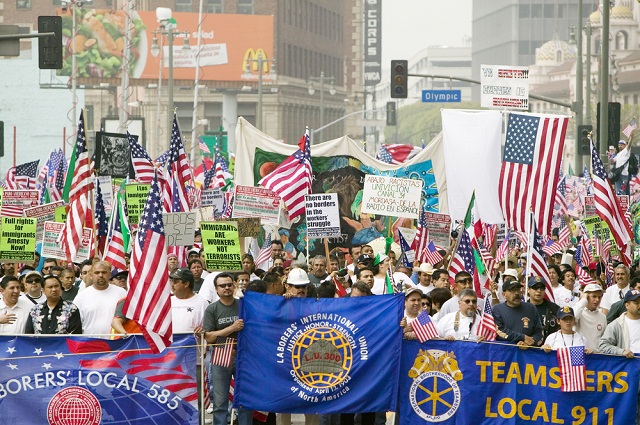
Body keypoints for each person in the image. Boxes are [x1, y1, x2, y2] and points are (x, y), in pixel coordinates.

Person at [203, 273, 253, 425]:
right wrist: (232, 328)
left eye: (229, 285)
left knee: (245, 399)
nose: (226, 288)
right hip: (220, 355)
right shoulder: (212, 309)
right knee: (220, 401)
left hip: (243, 356)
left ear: (234, 285)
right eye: (222, 286)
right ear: (216, 289)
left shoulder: (244, 305)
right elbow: (209, 337)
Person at [598, 289, 640, 425]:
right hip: (628, 372)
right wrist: (621, 351)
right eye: (636, 302)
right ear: (627, 305)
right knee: (631, 407)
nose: (639, 305)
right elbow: (603, 345)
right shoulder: (616, 324)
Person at [73, 261, 127, 337]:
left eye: (104, 272)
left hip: (117, 342)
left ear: (110, 275)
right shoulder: (81, 296)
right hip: (90, 341)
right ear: (91, 275)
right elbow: (75, 324)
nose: (101, 275)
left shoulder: (121, 293)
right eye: (97, 273)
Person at [492, 279, 543, 347]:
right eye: (512, 290)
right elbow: (499, 331)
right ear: (504, 295)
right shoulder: (497, 309)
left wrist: (531, 341)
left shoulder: (531, 308)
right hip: (506, 351)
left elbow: (539, 332)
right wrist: (522, 337)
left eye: (518, 289)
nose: (516, 293)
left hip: (527, 351)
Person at [573, 283, 607, 352]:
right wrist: (583, 299)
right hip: (580, 354)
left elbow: (604, 339)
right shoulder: (579, 312)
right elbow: (573, 317)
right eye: (594, 296)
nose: (597, 300)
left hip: (596, 355)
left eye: (599, 297)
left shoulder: (603, 317)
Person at [526, 276, 560, 340]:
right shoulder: (522, 308)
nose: (539, 291)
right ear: (528, 289)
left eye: (542, 288)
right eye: (535, 287)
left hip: (549, 344)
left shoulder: (554, 308)